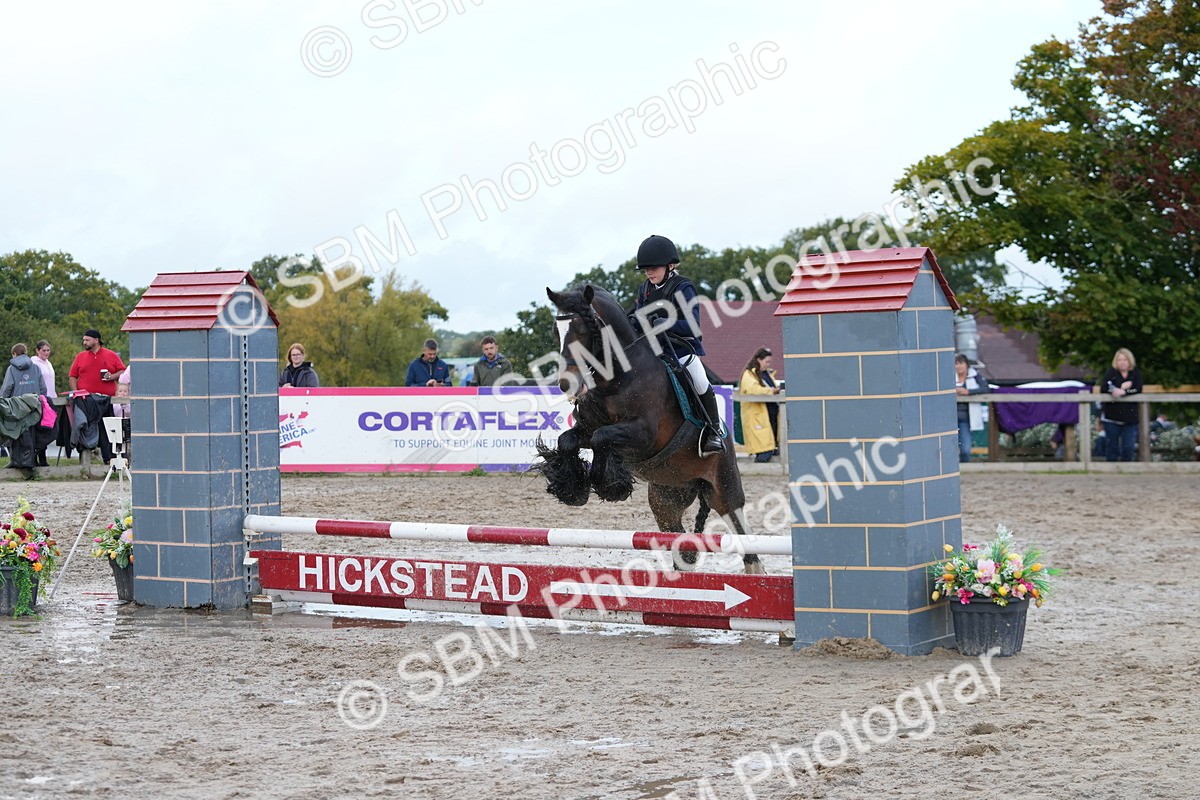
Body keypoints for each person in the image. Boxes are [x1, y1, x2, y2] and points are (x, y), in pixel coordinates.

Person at [632, 234, 725, 455]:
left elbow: (694, 326)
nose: (649, 273)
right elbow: (639, 317)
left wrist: (667, 323)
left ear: (670, 265)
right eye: (646, 270)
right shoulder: (644, 289)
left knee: (700, 381)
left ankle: (713, 432)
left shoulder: (683, 287)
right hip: (653, 352)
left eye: (653, 268)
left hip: (681, 349)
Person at [2, 344, 50, 479]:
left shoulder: (11, 369)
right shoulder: (35, 367)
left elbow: (7, 388)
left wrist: (3, 402)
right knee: (32, 434)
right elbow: (43, 388)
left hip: (16, 406)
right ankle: (30, 462)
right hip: (33, 406)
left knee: (14, 433)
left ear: (14, 354)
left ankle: (16, 461)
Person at [739, 347, 782, 463]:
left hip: (770, 415)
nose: (768, 365)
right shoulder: (749, 375)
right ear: (758, 360)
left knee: (771, 447)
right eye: (766, 362)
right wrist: (771, 391)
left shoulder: (766, 374)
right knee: (764, 450)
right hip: (758, 415)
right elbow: (752, 389)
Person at [1100, 347, 1142, 462]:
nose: (1122, 362)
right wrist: (1114, 390)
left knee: (1129, 447)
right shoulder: (1111, 373)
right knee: (1112, 446)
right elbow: (1104, 388)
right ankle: (1112, 472)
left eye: (1125, 359)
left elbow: (1138, 389)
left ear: (1130, 361)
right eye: (1119, 360)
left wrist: (1124, 392)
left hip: (1130, 417)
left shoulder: (1135, 373)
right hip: (1112, 417)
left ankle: (1127, 471)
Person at [954, 353, 986, 463]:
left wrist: (969, 392)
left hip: (966, 419)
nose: (958, 366)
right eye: (956, 363)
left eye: (961, 363)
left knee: (965, 449)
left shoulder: (975, 375)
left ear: (966, 365)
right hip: (949, 419)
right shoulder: (947, 377)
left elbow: (986, 389)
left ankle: (964, 468)